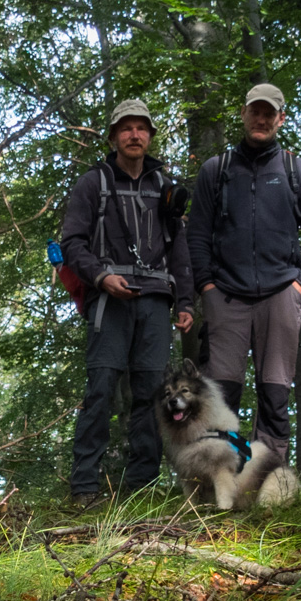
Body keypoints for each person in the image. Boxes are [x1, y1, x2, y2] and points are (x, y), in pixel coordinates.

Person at [59, 98, 195, 508]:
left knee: (152, 396)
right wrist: (101, 276)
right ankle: (85, 488)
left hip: (155, 303)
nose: (134, 135)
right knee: (100, 390)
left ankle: (141, 490)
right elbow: (72, 244)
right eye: (126, 128)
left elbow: (180, 249)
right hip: (109, 302)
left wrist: (185, 300)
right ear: (114, 136)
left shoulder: (165, 188)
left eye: (141, 128)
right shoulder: (93, 183)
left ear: (150, 136)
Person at [187, 82, 301, 458]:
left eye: (270, 113)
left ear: (281, 119)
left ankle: (268, 487)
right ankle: (222, 481)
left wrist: (299, 288)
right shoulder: (215, 171)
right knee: (220, 399)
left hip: (281, 296)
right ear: (244, 113)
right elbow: (197, 235)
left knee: (274, 397)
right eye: (256, 111)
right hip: (226, 298)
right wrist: (206, 286)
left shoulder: (297, 172)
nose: (262, 119)